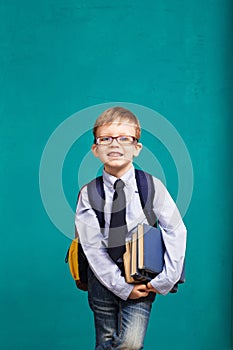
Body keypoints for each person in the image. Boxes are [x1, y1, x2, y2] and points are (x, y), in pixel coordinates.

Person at [75, 106, 187, 350]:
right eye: (106, 139)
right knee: (105, 340)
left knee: (131, 343)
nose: (115, 145)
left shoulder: (151, 186)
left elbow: (176, 230)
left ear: (137, 148)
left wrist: (165, 280)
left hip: (142, 276)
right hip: (101, 278)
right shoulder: (88, 193)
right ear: (95, 149)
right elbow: (92, 247)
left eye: (125, 138)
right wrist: (120, 286)